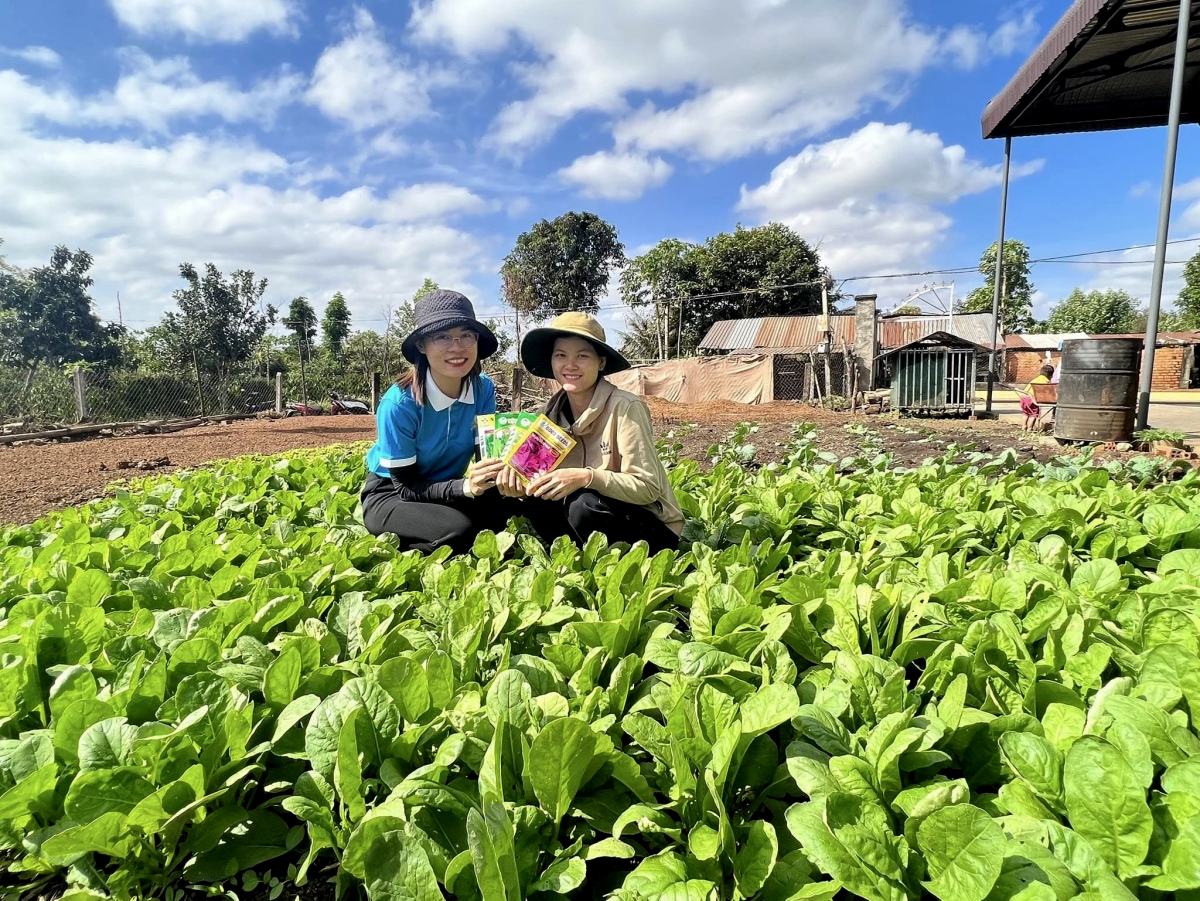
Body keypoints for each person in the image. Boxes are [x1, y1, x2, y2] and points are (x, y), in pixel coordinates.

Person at [497, 312, 684, 554]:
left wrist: (586, 477)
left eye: (582, 356)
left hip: (652, 526)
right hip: (592, 520)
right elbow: (531, 477)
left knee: (583, 505)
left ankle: (619, 566)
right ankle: (580, 560)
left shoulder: (626, 407)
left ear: (601, 362)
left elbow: (647, 487)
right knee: (538, 500)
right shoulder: (545, 417)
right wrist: (516, 487)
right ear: (552, 361)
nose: (570, 365)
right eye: (561, 355)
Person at [360, 289, 513, 553]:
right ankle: (403, 538)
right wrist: (465, 486)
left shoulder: (483, 389)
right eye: (442, 336)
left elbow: (487, 457)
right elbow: (407, 486)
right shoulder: (399, 403)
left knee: (506, 509)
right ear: (421, 345)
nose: (457, 347)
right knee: (460, 531)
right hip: (394, 493)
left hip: (447, 489)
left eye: (467, 335)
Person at [1021, 363, 1055, 432]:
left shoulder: (1036, 379)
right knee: (1033, 414)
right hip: (1032, 399)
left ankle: (1024, 426)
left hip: (1023, 398)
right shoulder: (1046, 381)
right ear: (1050, 375)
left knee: (1026, 413)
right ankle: (1030, 428)